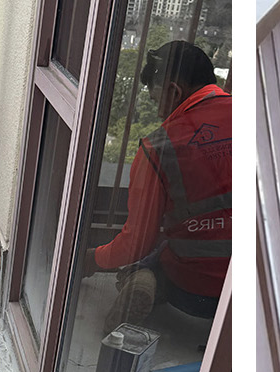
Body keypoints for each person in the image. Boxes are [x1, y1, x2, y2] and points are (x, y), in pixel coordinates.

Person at [85, 41, 231, 332]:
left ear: (174, 92)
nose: (159, 113)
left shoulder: (158, 149)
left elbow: (135, 242)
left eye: (156, 100)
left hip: (198, 293)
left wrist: (93, 259)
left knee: (145, 257)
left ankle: (144, 281)